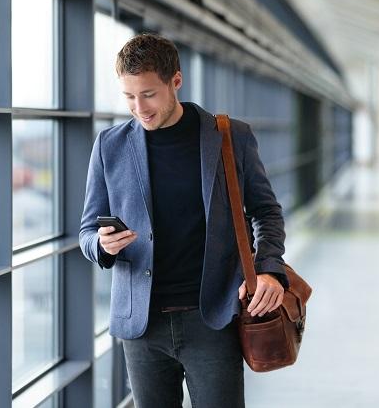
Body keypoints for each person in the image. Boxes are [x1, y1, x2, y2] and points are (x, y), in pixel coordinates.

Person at [79, 33, 288, 408]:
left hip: (212, 319)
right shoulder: (109, 145)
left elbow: (266, 211)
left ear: (176, 80)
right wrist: (101, 245)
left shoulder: (229, 137)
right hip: (142, 327)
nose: (139, 107)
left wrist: (270, 268)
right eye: (129, 96)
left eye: (148, 94)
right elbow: (87, 231)